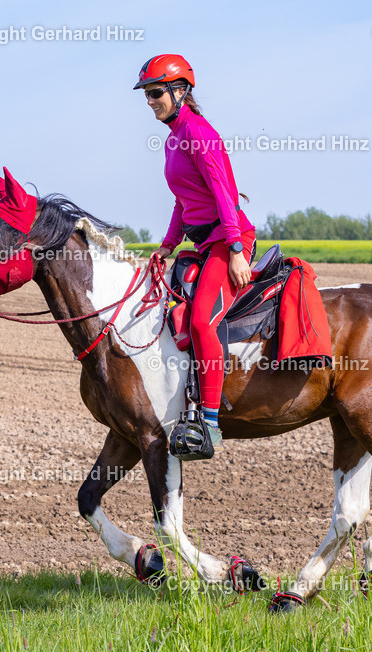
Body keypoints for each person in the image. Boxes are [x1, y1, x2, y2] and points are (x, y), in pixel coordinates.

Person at [135, 54, 256, 451]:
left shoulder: (199, 133)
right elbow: (181, 200)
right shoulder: (174, 138)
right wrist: (168, 244)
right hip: (203, 242)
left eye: (155, 93)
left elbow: (223, 193)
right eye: (147, 94)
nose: (149, 101)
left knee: (203, 322)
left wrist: (237, 249)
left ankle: (209, 423)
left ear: (180, 90)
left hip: (227, 238)